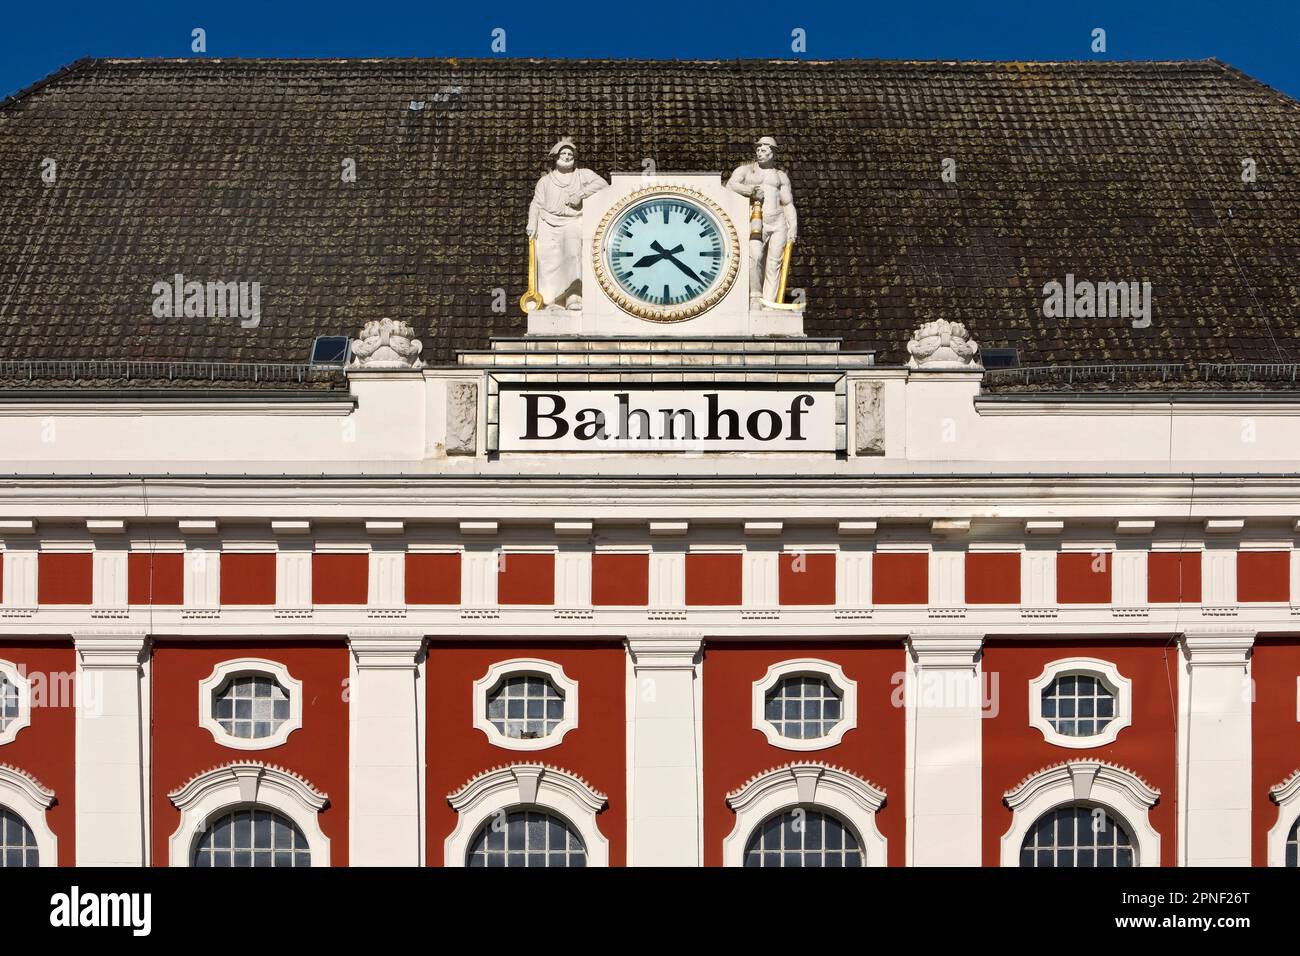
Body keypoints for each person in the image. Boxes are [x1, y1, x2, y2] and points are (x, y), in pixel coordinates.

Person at [526, 137, 608, 310]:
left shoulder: (582, 174)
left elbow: (602, 184)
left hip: (573, 221)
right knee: (548, 261)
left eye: (570, 153)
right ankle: (553, 301)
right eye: (563, 153)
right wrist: (532, 222)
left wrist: (581, 194)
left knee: (573, 254)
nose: (567, 156)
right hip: (547, 223)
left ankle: (574, 295)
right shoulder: (545, 181)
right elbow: (536, 203)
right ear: (556, 156)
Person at [726, 136, 798, 305]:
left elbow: (788, 203)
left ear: (772, 153)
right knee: (755, 257)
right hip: (757, 220)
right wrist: (751, 191)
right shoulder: (746, 171)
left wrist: (793, 227)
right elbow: (730, 185)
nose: (759, 153)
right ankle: (755, 296)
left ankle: (769, 302)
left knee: (774, 263)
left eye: (763, 150)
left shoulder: (780, 176)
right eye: (758, 150)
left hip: (778, 222)